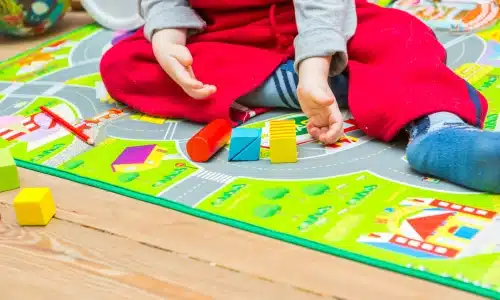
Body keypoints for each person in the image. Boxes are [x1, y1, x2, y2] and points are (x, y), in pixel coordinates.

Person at [100, 0, 500, 193]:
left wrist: (314, 64)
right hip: (222, 33)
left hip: (323, 21)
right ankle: (327, 85)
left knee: (401, 34)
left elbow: (324, 9)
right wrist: (169, 35)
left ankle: (439, 129)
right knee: (124, 63)